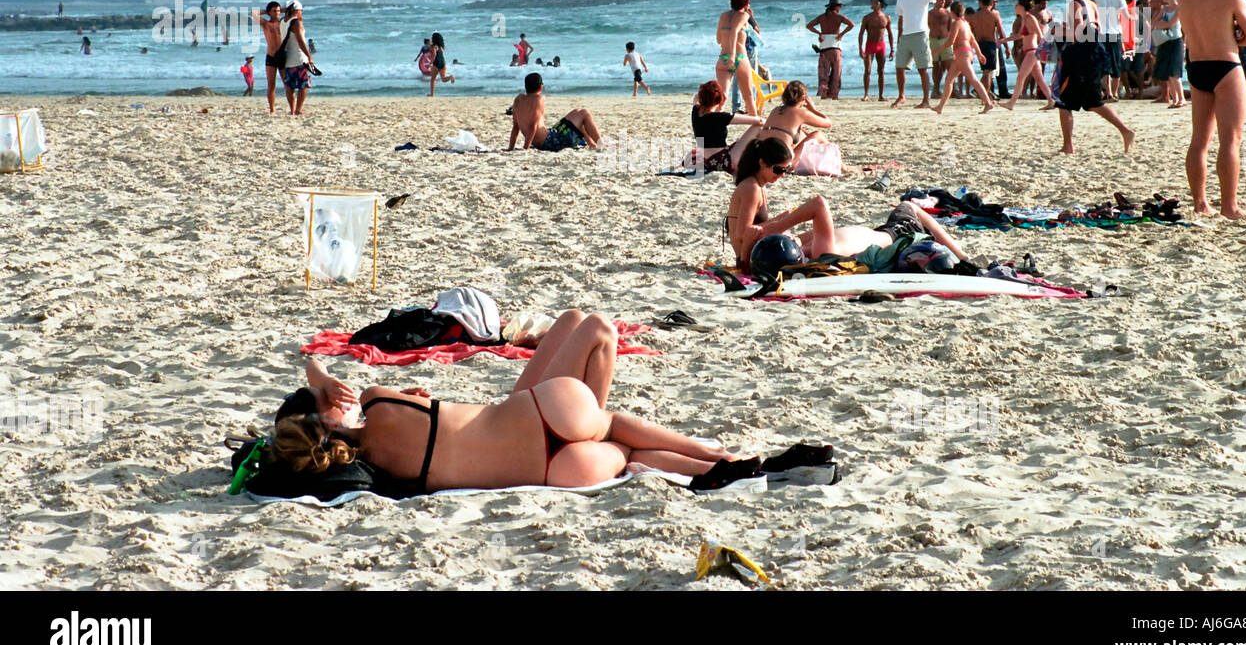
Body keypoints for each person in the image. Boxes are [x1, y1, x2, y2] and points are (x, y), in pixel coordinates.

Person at [271, 311, 748, 492]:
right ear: (326, 416)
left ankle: (714, 468)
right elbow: (315, 368)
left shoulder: (379, 471)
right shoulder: (376, 401)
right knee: (598, 335)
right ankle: (711, 453)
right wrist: (321, 375)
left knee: (627, 454)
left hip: (559, 471)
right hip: (539, 412)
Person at [725, 137, 971, 270]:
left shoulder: (808, 249)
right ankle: (963, 256)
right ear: (762, 163)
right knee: (910, 207)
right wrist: (747, 258)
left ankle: (963, 257)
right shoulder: (822, 254)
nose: (782, 175)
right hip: (896, 233)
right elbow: (746, 233)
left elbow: (759, 234)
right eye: (779, 170)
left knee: (910, 208)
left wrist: (785, 229)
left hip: (882, 234)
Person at [1178, 0, 1246, 220]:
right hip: (1225, 66)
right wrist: (1235, 33)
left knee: (1199, 140)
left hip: (1197, 67)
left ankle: (1200, 203)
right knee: (1230, 141)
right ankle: (1229, 206)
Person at [1055, 0, 1135, 154]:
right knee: (1093, 102)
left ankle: (1068, 146)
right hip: (1095, 53)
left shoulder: (1074, 5)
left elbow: (1077, 34)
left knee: (1064, 101)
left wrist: (1057, 32)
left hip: (1080, 55)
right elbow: (1093, 28)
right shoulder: (1091, 4)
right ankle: (1125, 131)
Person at [893, 0, 959, 108]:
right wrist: (899, 37)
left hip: (920, 35)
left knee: (923, 69)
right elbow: (901, 18)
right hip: (906, 36)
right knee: (899, 67)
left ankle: (925, 101)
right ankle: (901, 96)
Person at [508, 72, 603, 151]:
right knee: (584, 113)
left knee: (576, 115)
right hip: (551, 142)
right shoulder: (538, 99)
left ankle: (592, 144)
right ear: (541, 87)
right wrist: (526, 148)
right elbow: (534, 125)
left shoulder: (518, 100)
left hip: (549, 136)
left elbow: (516, 126)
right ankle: (600, 144)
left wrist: (511, 148)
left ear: (526, 87)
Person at [932, 1, 997, 114]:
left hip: (962, 53)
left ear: (952, 12)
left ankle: (988, 103)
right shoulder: (965, 23)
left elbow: (950, 42)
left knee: (972, 79)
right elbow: (973, 40)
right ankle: (940, 107)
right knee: (949, 80)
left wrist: (936, 51)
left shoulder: (956, 23)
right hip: (965, 52)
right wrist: (979, 54)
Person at [755, 80, 832, 168]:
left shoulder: (776, 110)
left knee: (801, 133)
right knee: (817, 134)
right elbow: (828, 123)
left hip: (764, 157)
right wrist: (812, 109)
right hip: (784, 162)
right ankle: (840, 165)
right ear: (803, 99)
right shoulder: (801, 113)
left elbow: (792, 131)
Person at [691, 80, 764, 172]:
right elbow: (759, 121)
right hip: (722, 161)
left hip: (705, 161)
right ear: (719, 100)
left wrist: (712, 98)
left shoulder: (696, 112)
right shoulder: (721, 117)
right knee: (758, 127)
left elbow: (696, 97)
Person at [1002, 0, 1053, 111]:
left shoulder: (1030, 18)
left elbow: (1040, 35)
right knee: (1039, 79)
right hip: (1030, 51)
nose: (1015, 7)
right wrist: (1004, 40)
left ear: (1022, 6)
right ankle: (1051, 101)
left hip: (1032, 51)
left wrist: (1042, 51)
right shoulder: (1024, 18)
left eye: (1017, 5)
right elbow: (1020, 35)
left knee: (1021, 76)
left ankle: (1011, 103)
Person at [716, 0, 759, 116]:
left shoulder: (723, 16)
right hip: (739, 57)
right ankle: (756, 127)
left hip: (723, 57)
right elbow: (734, 31)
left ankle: (714, 126)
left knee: (722, 99)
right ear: (746, 2)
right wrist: (733, 56)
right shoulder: (744, 16)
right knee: (749, 97)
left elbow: (718, 39)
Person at [806, 0, 854, 100]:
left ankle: (823, 93)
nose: (840, 8)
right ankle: (834, 94)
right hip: (836, 47)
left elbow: (809, 26)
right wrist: (841, 34)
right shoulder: (839, 17)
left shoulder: (822, 17)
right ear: (836, 7)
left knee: (823, 72)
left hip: (824, 48)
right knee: (836, 73)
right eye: (839, 6)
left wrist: (819, 33)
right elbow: (851, 24)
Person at [967, 0, 1010, 99]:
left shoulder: (974, 16)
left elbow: (970, 33)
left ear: (980, 3)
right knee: (988, 72)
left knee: (986, 71)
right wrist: (1006, 47)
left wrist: (970, 48)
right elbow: (1000, 32)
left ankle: (981, 92)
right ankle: (984, 95)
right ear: (991, 3)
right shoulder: (994, 15)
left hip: (979, 44)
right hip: (990, 44)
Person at [280, 0, 318, 116]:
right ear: (297, 11)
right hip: (299, 58)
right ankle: (298, 109)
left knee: (289, 87)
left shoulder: (283, 21)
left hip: (287, 59)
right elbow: (301, 41)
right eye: (301, 11)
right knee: (304, 85)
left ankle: (292, 110)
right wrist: (309, 56)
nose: (302, 13)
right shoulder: (296, 23)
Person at [1093, 0, 1127, 102]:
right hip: (1114, 32)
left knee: (1104, 64)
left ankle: (1108, 92)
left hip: (1101, 34)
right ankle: (1115, 92)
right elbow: (1125, 16)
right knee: (1116, 62)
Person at [252, 0, 289, 114]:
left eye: (278, 11)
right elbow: (253, 13)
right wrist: (267, 12)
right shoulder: (266, 24)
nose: (277, 13)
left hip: (282, 56)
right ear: (269, 12)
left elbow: (292, 13)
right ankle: (272, 109)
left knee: (287, 83)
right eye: (274, 11)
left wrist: (282, 10)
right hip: (271, 56)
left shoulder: (283, 22)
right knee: (271, 84)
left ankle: (292, 107)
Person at [1152, 0, 1186, 108]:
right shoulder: (1164, 8)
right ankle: (1175, 99)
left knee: (1174, 72)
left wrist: (1160, 25)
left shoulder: (1179, 8)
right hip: (1165, 41)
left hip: (1176, 41)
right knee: (1167, 74)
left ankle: (1181, 99)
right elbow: (1153, 23)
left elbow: (1171, 23)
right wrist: (1161, 24)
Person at [857, 0, 893, 100]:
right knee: (867, 70)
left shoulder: (886, 17)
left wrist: (892, 50)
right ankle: (866, 95)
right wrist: (860, 48)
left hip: (881, 45)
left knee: (881, 71)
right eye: (872, 3)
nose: (873, 4)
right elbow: (861, 34)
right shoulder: (867, 18)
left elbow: (890, 34)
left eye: (876, 2)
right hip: (870, 45)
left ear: (880, 4)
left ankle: (881, 95)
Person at [927, 0, 956, 99]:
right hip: (933, 40)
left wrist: (951, 41)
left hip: (945, 40)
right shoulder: (929, 14)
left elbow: (950, 29)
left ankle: (952, 89)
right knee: (935, 66)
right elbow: (926, 27)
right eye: (940, 0)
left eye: (944, 0)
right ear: (935, 1)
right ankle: (936, 89)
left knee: (949, 65)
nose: (943, 2)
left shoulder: (947, 13)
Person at [731, 16, 762, 112]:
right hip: (749, 47)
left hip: (736, 48)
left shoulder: (730, 16)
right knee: (753, 75)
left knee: (737, 77)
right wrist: (752, 16)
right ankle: (751, 105)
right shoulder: (746, 15)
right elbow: (757, 30)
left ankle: (736, 106)